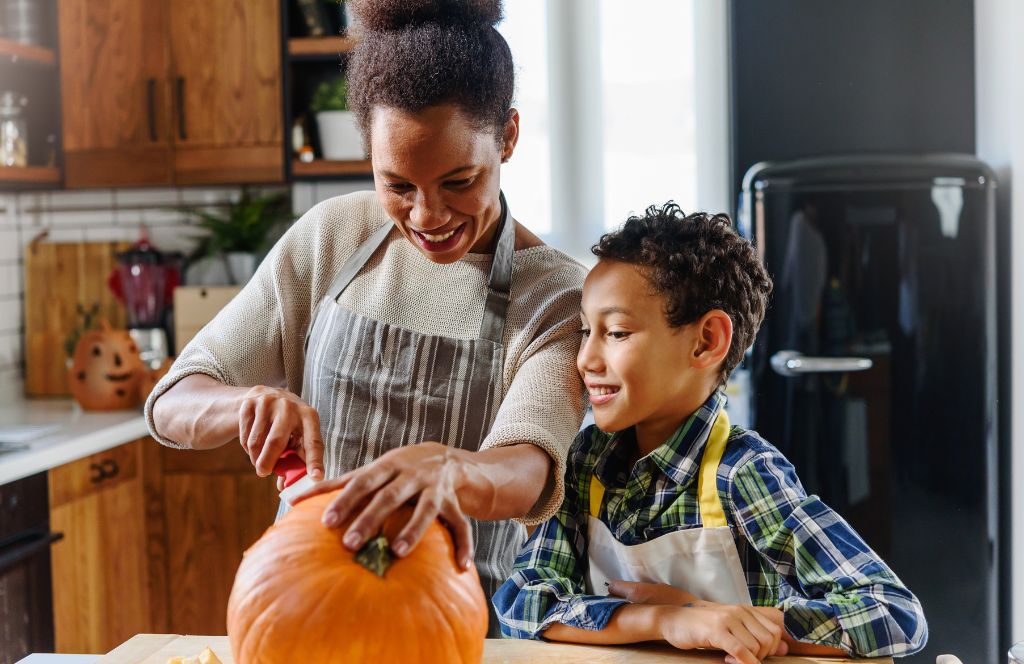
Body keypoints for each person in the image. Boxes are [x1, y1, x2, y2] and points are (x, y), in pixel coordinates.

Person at [145, 0, 587, 634]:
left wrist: (451, 466)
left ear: (508, 136)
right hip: (302, 603)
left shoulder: (557, 296)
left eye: (459, 181)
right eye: (399, 185)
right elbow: (172, 400)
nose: (427, 216)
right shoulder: (333, 237)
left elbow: (530, 468)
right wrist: (243, 405)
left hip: (464, 623)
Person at [493, 203, 928, 662]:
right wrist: (670, 619)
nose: (586, 359)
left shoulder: (742, 471)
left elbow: (893, 612)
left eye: (616, 333)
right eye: (585, 331)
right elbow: (523, 603)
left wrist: (723, 618)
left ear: (706, 341)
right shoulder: (589, 461)